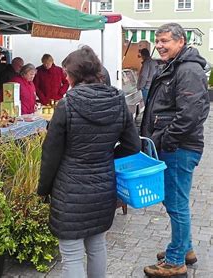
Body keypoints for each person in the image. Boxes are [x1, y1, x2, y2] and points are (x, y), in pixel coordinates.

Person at [37, 46, 141, 278]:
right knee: (97, 245)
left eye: (66, 73)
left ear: (76, 75)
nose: (64, 77)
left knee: (72, 254)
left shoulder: (67, 105)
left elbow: (50, 154)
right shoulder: (118, 102)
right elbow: (134, 146)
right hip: (103, 188)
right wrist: (106, 158)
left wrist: (43, 189)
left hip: (70, 191)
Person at [141, 23, 209, 277]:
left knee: (175, 202)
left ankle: (175, 260)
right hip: (175, 145)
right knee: (176, 200)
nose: (159, 45)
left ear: (181, 41)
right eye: (157, 40)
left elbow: (190, 114)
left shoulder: (188, 69)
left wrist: (167, 140)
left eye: (165, 41)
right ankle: (186, 248)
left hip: (179, 147)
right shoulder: (175, 65)